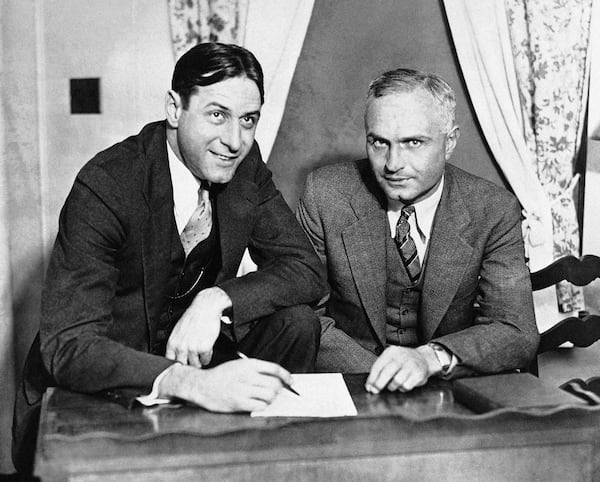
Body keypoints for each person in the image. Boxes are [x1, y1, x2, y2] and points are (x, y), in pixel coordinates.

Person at [13, 42, 327, 472]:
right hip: (103, 380)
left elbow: (306, 269)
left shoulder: (242, 163)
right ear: (175, 109)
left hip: (193, 357)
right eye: (217, 114)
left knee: (296, 322)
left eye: (248, 120)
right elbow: (68, 346)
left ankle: (260, 464)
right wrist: (190, 383)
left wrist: (215, 301)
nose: (234, 140)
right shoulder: (107, 185)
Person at [297, 68, 539, 394]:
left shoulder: (492, 209)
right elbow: (302, 318)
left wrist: (427, 360)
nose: (393, 163)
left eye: (413, 142)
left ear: (449, 142)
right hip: (350, 387)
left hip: (445, 391)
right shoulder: (325, 194)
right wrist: (385, 375)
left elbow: (515, 330)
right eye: (379, 142)